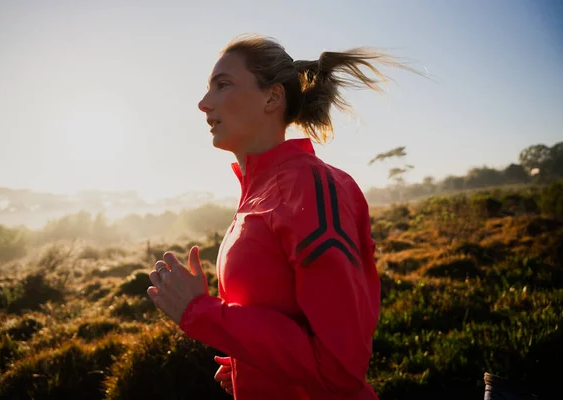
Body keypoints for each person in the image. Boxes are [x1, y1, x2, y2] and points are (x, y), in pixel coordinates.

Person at [147, 33, 416, 399]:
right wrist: (251, 368)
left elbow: (339, 367)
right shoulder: (256, 192)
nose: (203, 103)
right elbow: (282, 320)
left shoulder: (310, 185)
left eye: (222, 85)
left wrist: (201, 312)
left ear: (272, 97)